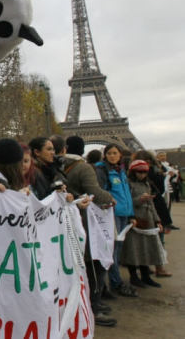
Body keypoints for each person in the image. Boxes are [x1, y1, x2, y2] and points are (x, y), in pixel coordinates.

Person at [62, 136, 117, 326]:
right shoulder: (83, 167)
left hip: (69, 221)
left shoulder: (60, 166)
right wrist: (109, 198)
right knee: (95, 263)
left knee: (84, 264)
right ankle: (94, 305)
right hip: (86, 220)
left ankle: (90, 303)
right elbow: (94, 191)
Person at [94, 144, 138, 298]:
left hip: (123, 214)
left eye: (115, 153)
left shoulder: (121, 171)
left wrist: (131, 214)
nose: (112, 156)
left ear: (120, 155)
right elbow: (101, 191)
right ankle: (113, 283)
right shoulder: (103, 171)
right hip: (112, 214)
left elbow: (127, 194)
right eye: (109, 153)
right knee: (112, 250)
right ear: (105, 155)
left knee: (117, 250)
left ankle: (113, 282)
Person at [121, 160, 168, 288]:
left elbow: (151, 205)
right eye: (139, 172)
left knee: (145, 249)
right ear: (133, 172)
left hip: (148, 220)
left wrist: (158, 220)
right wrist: (139, 200)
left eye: (144, 172)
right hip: (135, 219)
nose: (142, 174)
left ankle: (145, 276)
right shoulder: (128, 183)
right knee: (133, 250)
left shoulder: (147, 184)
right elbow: (127, 201)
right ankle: (134, 277)